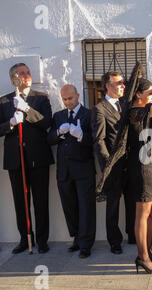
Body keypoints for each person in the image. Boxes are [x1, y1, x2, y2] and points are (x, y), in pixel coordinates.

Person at [0, 63, 54, 254]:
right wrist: (11, 123)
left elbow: (47, 123)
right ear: (13, 78)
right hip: (15, 158)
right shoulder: (4, 101)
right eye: (22, 73)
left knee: (41, 200)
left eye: (28, 72)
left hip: (38, 157)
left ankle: (43, 240)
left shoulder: (41, 98)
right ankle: (25, 238)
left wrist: (27, 109)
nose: (27, 75)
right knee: (21, 201)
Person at [126, 64, 152, 274]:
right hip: (141, 168)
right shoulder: (135, 112)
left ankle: (147, 248)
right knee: (142, 214)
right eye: (149, 93)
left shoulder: (148, 114)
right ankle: (142, 256)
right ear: (139, 94)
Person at [48, 85, 96, 258]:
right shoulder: (58, 116)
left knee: (86, 208)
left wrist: (81, 135)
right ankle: (76, 238)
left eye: (70, 98)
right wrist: (59, 132)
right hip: (64, 170)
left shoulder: (89, 114)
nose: (68, 102)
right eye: (65, 99)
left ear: (77, 96)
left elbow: (95, 140)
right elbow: (50, 139)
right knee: (70, 207)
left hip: (83, 169)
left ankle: (86, 244)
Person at [92, 71, 135, 254]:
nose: (123, 86)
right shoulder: (99, 109)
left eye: (123, 83)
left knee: (133, 201)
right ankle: (114, 241)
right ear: (107, 86)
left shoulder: (127, 104)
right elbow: (99, 140)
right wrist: (107, 164)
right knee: (113, 205)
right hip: (113, 166)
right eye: (118, 83)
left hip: (130, 162)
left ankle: (133, 234)